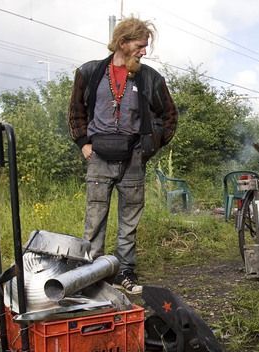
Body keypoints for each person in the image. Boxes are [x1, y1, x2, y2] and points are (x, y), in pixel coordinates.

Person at [68, 17, 178, 294]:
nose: (144, 51)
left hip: (133, 158)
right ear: (122, 43)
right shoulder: (89, 72)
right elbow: (75, 111)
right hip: (99, 158)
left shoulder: (151, 77)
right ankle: (92, 275)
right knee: (94, 219)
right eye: (140, 46)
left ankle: (123, 273)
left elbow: (170, 115)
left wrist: (150, 146)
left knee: (129, 221)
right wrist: (83, 143)